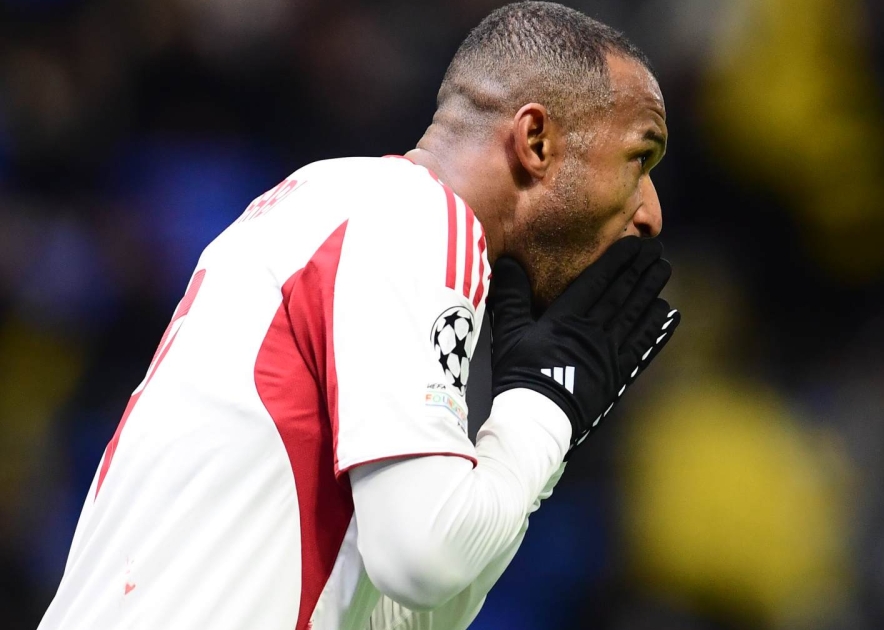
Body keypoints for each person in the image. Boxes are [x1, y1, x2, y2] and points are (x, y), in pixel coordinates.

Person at [37, 3, 679, 629]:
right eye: (639, 159)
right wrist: (544, 405)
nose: (650, 212)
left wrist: (538, 421)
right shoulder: (414, 214)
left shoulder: (336, 207)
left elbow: (407, 613)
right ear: (536, 140)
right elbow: (423, 560)